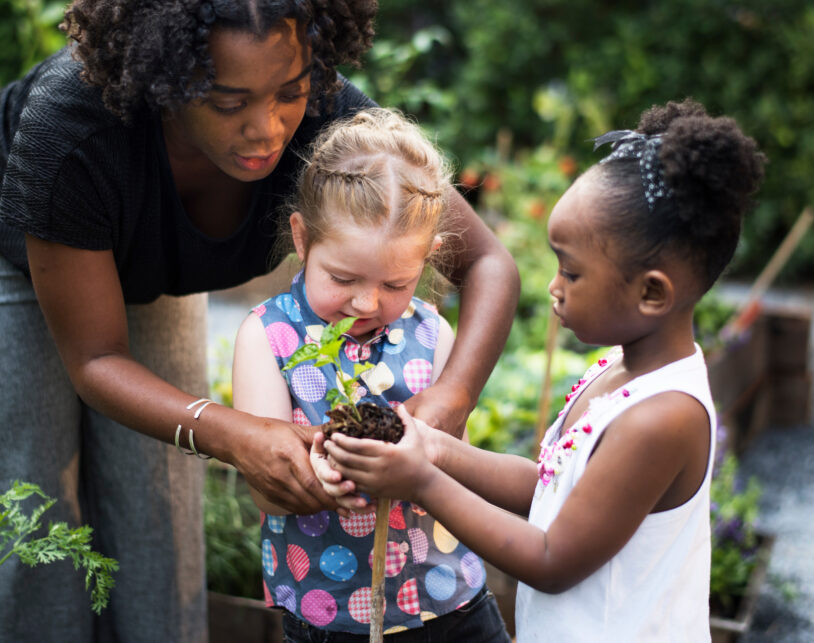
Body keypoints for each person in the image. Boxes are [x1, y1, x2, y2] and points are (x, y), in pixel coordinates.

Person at [0, 0, 520, 641]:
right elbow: (95, 360)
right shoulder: (71, 128)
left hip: (148, 268)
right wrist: (236, 432)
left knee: (160, 516)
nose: (268, 129)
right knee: (25, 510)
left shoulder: (327, 120)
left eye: (287, 92)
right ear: (164, 83)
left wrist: (446, 404)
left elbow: (491, 264)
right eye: (229, 102)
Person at [316, 100, 766, 641]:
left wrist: (423, 482)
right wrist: (435, 449)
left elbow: (552, 559)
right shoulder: (619, 370)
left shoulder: (661, 418)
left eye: (571, 272)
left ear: (652, 292)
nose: (553, 286)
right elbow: (548, 489)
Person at [232, 108, 512, 642]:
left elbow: (458, 463)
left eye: (397, 283)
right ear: (302, 238)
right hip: (332, 612)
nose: (365, 302)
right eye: (342, 278)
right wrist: (321, 475)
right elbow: (266, 489)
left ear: (428, 259)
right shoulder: (268, 337)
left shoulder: (432, 335)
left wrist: (425, 459)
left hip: (450, 600)